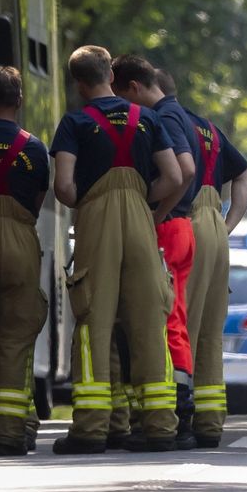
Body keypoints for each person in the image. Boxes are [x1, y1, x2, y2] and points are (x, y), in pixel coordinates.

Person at [49, 45, 183, 454]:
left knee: (94, 320)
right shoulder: (148, 119)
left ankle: (91, 429)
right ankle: (160, 425)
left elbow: (64, 187)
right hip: (142, 220)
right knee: (148, 320)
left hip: (97, 220)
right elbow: (175, 176)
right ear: (110, 72)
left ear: (78, 83)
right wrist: (143, 198)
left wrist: (91, 203)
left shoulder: (73, 123)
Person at [110, 55, 199, 448]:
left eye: (122, 95)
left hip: (169, 226)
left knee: (160, 322)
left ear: (133, 87)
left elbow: (184, 171)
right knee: (173, 318)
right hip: (183, 227)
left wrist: (153, 209)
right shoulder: (185, 115)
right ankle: (181, 414)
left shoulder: (163, 118)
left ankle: (173, 417)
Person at [166, 70, 247, 449]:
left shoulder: (167, 121)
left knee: (181, 322)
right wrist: (227, 223)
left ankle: (176, 417)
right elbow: (246, 175)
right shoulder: (209, 129)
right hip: (215, 223)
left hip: (188, 219)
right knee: (211, 332)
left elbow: (177, 174)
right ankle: (210, 421)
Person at [0, 66, 50, 456]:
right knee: (14, 338)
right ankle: (8, 436)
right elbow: (39, 200)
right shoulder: (34, 147)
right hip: (22, 240)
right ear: (19, 100)